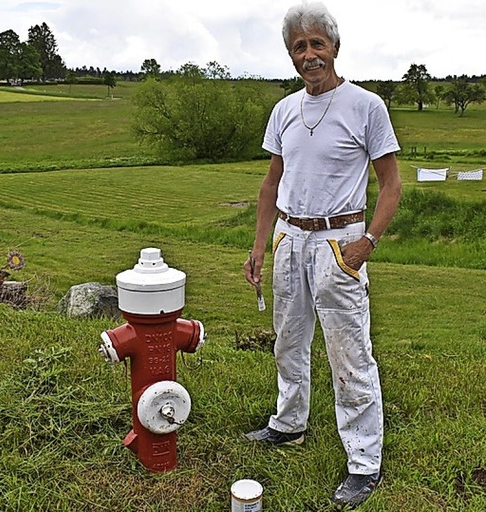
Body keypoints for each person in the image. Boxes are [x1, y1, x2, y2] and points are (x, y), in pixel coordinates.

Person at [243, 2, 402, 509]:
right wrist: (259, 245)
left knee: (349, 352)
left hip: (340, 243)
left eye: (317, 44)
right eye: (298, 47)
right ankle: (289, 425)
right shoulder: (285, 110)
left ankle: (363, 461)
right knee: (288, 341)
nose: (309, 55)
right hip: (290, 238)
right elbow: (271, 183)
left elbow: (392, 185)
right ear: (290, 55)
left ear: (334, 47)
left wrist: (366, 244)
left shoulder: (366, 106)